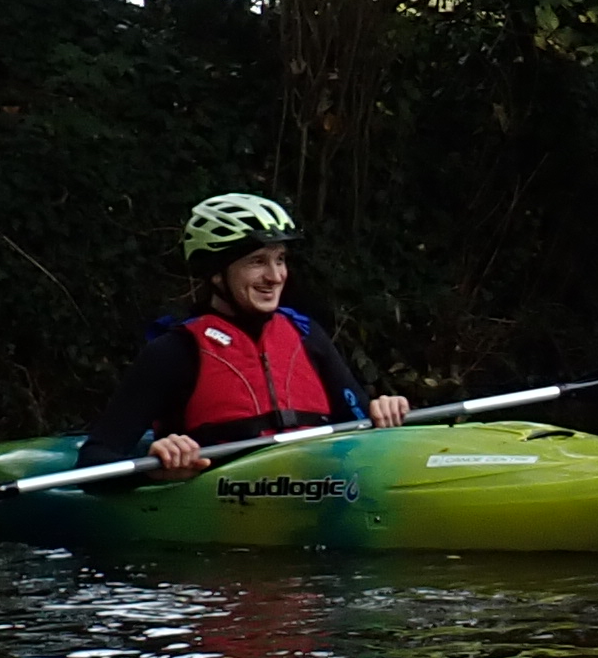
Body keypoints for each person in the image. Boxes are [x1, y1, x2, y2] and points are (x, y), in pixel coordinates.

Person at [83, 193, 412, 475]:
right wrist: (157, 468)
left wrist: (383, 412)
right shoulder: (174, 352)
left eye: (280, 259)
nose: (275, 276)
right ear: (216, 274)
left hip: (317, 482)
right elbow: (95, 460)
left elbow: (362, 423)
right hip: (219, 501)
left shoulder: (307, 336)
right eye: (257, 261)